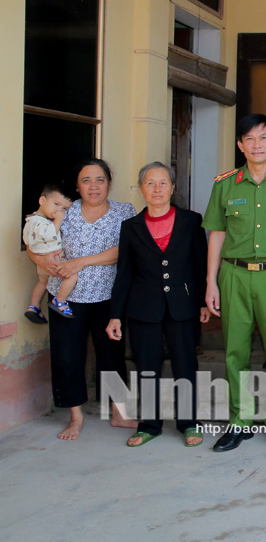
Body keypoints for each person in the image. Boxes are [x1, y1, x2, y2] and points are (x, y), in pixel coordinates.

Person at [203, 114, 266, 452]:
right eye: (250, 139)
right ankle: (240, 420)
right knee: (235, 351)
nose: (256, 144)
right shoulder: (225, 184)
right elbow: (216, 234)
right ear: (240, 145)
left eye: (263, 138)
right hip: (234, 275)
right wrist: (210, 282)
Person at [27, 159, 136, 440]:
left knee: (111, 355)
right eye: (86, 180)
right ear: (77, 186)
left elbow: (124, 250)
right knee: (67, 357)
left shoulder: (125, 212)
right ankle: (75, 417)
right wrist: (42, 260)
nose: (93, 186)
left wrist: (80, 263)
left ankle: (119, 412)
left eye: (99, 179)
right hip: (65, 297)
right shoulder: (63, 210)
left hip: (108, 296)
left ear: (109, 183)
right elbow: (34, 244)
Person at [105, 162, 209, 448]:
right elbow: (124, 272)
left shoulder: (190, 221)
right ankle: (149, 425)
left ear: (173, 187)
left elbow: (200, 265)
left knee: (185, 364)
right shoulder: (131, 227)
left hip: (183, 306)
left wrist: (202, 301)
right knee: (147, 366)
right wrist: (115, 316)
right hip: (143, 308)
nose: (157, 189)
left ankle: (189, 423)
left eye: (163, 183)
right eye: (150, 183)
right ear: (141, 189)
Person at [23, 184, 75, 323]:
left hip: (41, 261)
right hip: (54, 260)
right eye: (56, 204)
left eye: (64, 208)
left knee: (43, 281)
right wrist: (58, 220)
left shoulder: (30, 220)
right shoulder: (41, 223)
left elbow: (27, 241)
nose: (59, 210)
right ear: (42, 200)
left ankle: (33, 306)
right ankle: (60, 301)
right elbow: (50, 235)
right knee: (72, 275)